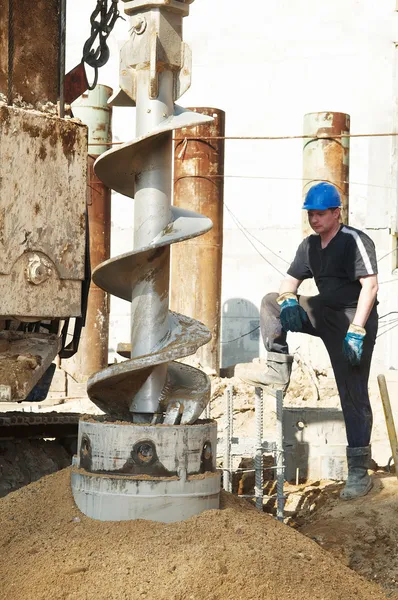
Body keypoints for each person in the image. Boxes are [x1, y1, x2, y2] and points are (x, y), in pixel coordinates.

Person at [236, 182, 379, 500]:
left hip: (352, 321)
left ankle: (358, 471)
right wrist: (288, 298)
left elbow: (370, 286)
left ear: (336, 212)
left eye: (320, 214)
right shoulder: (310, 246)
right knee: (271, 302)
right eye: (310, 214)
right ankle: (277, 368)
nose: (314, 219)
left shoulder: (354, 241)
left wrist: (357, 330)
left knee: (352, 394)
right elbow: (289, 280)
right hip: (322, 313)